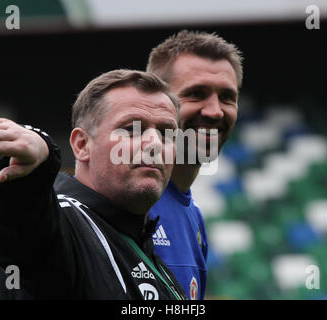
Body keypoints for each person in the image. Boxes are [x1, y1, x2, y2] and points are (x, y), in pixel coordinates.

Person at [0, 69, 187, 300]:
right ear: (82, 145)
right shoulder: (64, 225)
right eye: (132, 129)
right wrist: (33, 170)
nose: (155, 143)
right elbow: (21, 221)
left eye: (166, 133)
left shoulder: (157, 265)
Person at [146, 30, 244, 300]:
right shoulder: (127, 201)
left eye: (227, 97)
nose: (215, 111)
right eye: (196, 94)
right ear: (157, 102)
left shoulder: (194, 216)